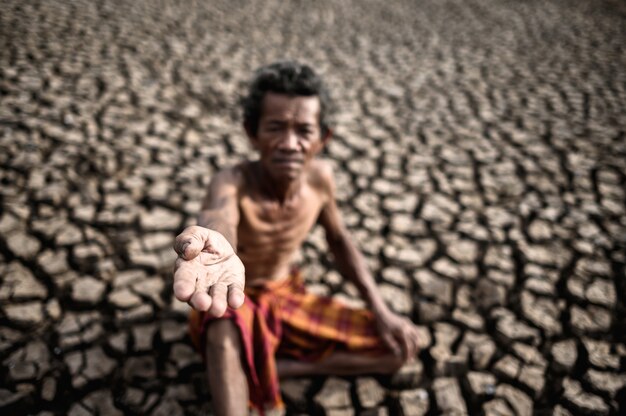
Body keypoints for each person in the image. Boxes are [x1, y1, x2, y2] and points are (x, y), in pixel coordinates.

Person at [172, 61, 420, 416]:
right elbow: (218, 215)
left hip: (286, 294)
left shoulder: (321, 181)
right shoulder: (232, 181)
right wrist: (217, 241)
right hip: (232, 298)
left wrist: (381, 309)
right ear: (251, 132)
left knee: (397, 349)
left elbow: (339, 241)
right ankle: (248, 366)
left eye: (304, 130)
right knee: (222, 331)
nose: (290, 144)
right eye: (275, 128)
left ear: (324, 138)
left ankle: (272, 367)